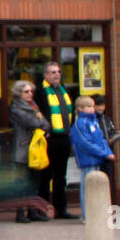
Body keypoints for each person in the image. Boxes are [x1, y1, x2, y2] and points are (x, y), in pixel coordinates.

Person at [35, 61, 77, 219]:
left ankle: (61, 209)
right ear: (45, 75)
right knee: (45, 176)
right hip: (49, 139)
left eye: (58, 71)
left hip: (64, 138)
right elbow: (38, 114)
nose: (57, 74)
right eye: (53, 72)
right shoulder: (40, 91)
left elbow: (69, 113)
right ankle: (43, 210)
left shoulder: (63, 90)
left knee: (61, 176)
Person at [9, 80, 52, 223]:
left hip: (35, 149)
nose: (30, 94)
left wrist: (42, 125)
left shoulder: (34, 106)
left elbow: (46, 123)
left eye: (31, 91)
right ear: (19, 93)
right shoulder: (16, 108)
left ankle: (32, 211)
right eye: (26, 92)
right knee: (22, 182)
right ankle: (20, 213)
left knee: (34, 182)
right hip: (23, 148)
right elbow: (32, 122)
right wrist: (42, 124)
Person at [69, 95, 115, 224]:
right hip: (87, 161)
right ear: (80, 109)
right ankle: (87, 215)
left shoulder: (93, 122)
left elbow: (101, 140)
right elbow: (85, 143)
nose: (92, 109)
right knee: (87, 188)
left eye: (92, 106)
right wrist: (104, 153)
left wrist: (108, 152)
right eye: (88, 106)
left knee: (96, 188)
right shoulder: (80, 124)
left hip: (97, 160)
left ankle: (96, 214)